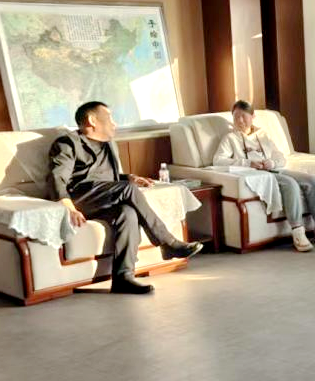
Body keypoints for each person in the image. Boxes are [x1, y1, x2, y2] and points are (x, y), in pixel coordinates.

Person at [48, 101, 202, 295]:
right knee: (127, 190)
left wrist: (129, 178)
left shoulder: (109, 144)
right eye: (109, 118)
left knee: (127, 213)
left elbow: (106, 178)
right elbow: (57, 178)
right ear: (92, 120)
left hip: (105, 195)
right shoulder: (67, 143)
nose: (114, 123)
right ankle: (167, 242)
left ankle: (123, 277)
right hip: (80, 197)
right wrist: (69, 207)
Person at [214, 100, 315, 252]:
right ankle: (298, 231)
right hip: (258, 175)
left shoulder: (263, 135)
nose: (240, 120)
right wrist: (248, 163)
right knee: (290, 184)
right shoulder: (230, 138)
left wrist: (272, 163)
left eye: (244, 116)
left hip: (275, 169)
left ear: (253, 116)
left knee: (313, 181)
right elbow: (218, 160)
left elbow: (280, 156)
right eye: (236, 117)